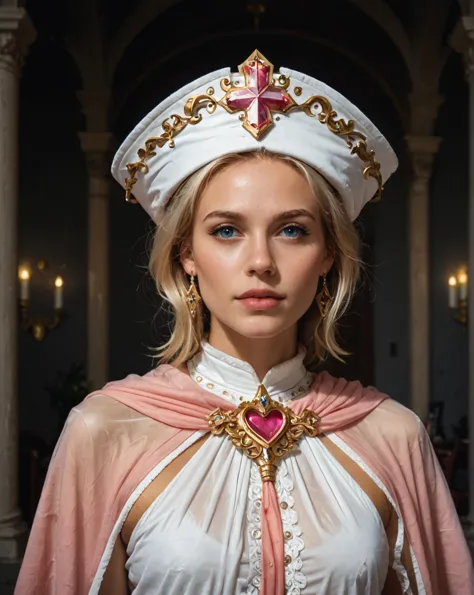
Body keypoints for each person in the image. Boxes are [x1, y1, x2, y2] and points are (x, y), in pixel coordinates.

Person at [15, 50, 473, 595]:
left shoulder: (393, 436)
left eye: (293, 230)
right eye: (227, 231)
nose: (261, 261)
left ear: (329, 255)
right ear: (186, 253)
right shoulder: (103, 431)